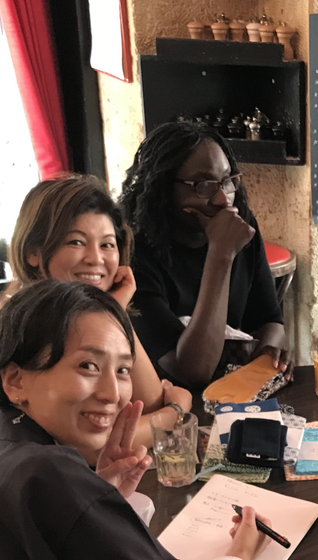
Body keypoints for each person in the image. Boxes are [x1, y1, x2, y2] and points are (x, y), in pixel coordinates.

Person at [0, 280, 270, 560]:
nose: (113, 394)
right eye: (88, 366)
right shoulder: (46, 472)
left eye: (122, 370)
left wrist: (100, 499)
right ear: (16, 381)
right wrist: (241, 557)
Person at [0, 175, 192, 497]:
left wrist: (113, 311)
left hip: (33, 487)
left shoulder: (78, 316)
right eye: (76, 242)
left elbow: (145, 404)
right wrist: (176, 412)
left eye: (107, 244)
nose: (95, 258)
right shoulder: (29, 321)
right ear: (33, 253)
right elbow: (93, 445)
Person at [120, 122, 288, 394]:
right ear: (164, 188)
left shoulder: (240, 227)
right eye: (204, 185)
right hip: (164, 402)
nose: (223, 199)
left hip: (232, 394)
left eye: (227, 181)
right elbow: (192, 372)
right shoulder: (133, 255)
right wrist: (221, 254)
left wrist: (266, 355)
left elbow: (269, 319)